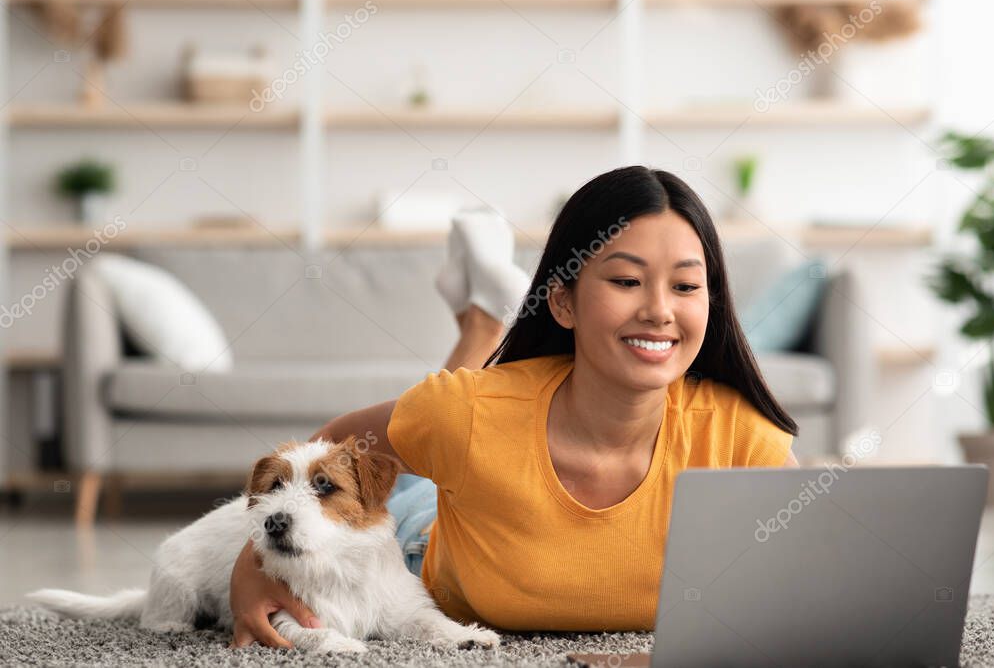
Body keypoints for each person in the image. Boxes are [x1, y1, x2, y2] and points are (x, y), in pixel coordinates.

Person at [228, 166, 800, 648]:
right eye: (627, 280)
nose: (658, 310)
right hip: (428, 532)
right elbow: (329, 455)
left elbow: (826, 570)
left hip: (481, 454)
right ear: (563, 301)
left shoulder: (738, 436)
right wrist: (251, 569)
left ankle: (482, 319)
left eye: (684, 286)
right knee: (434, 451)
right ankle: (483, 321)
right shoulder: (464, 415)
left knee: (462, 426)